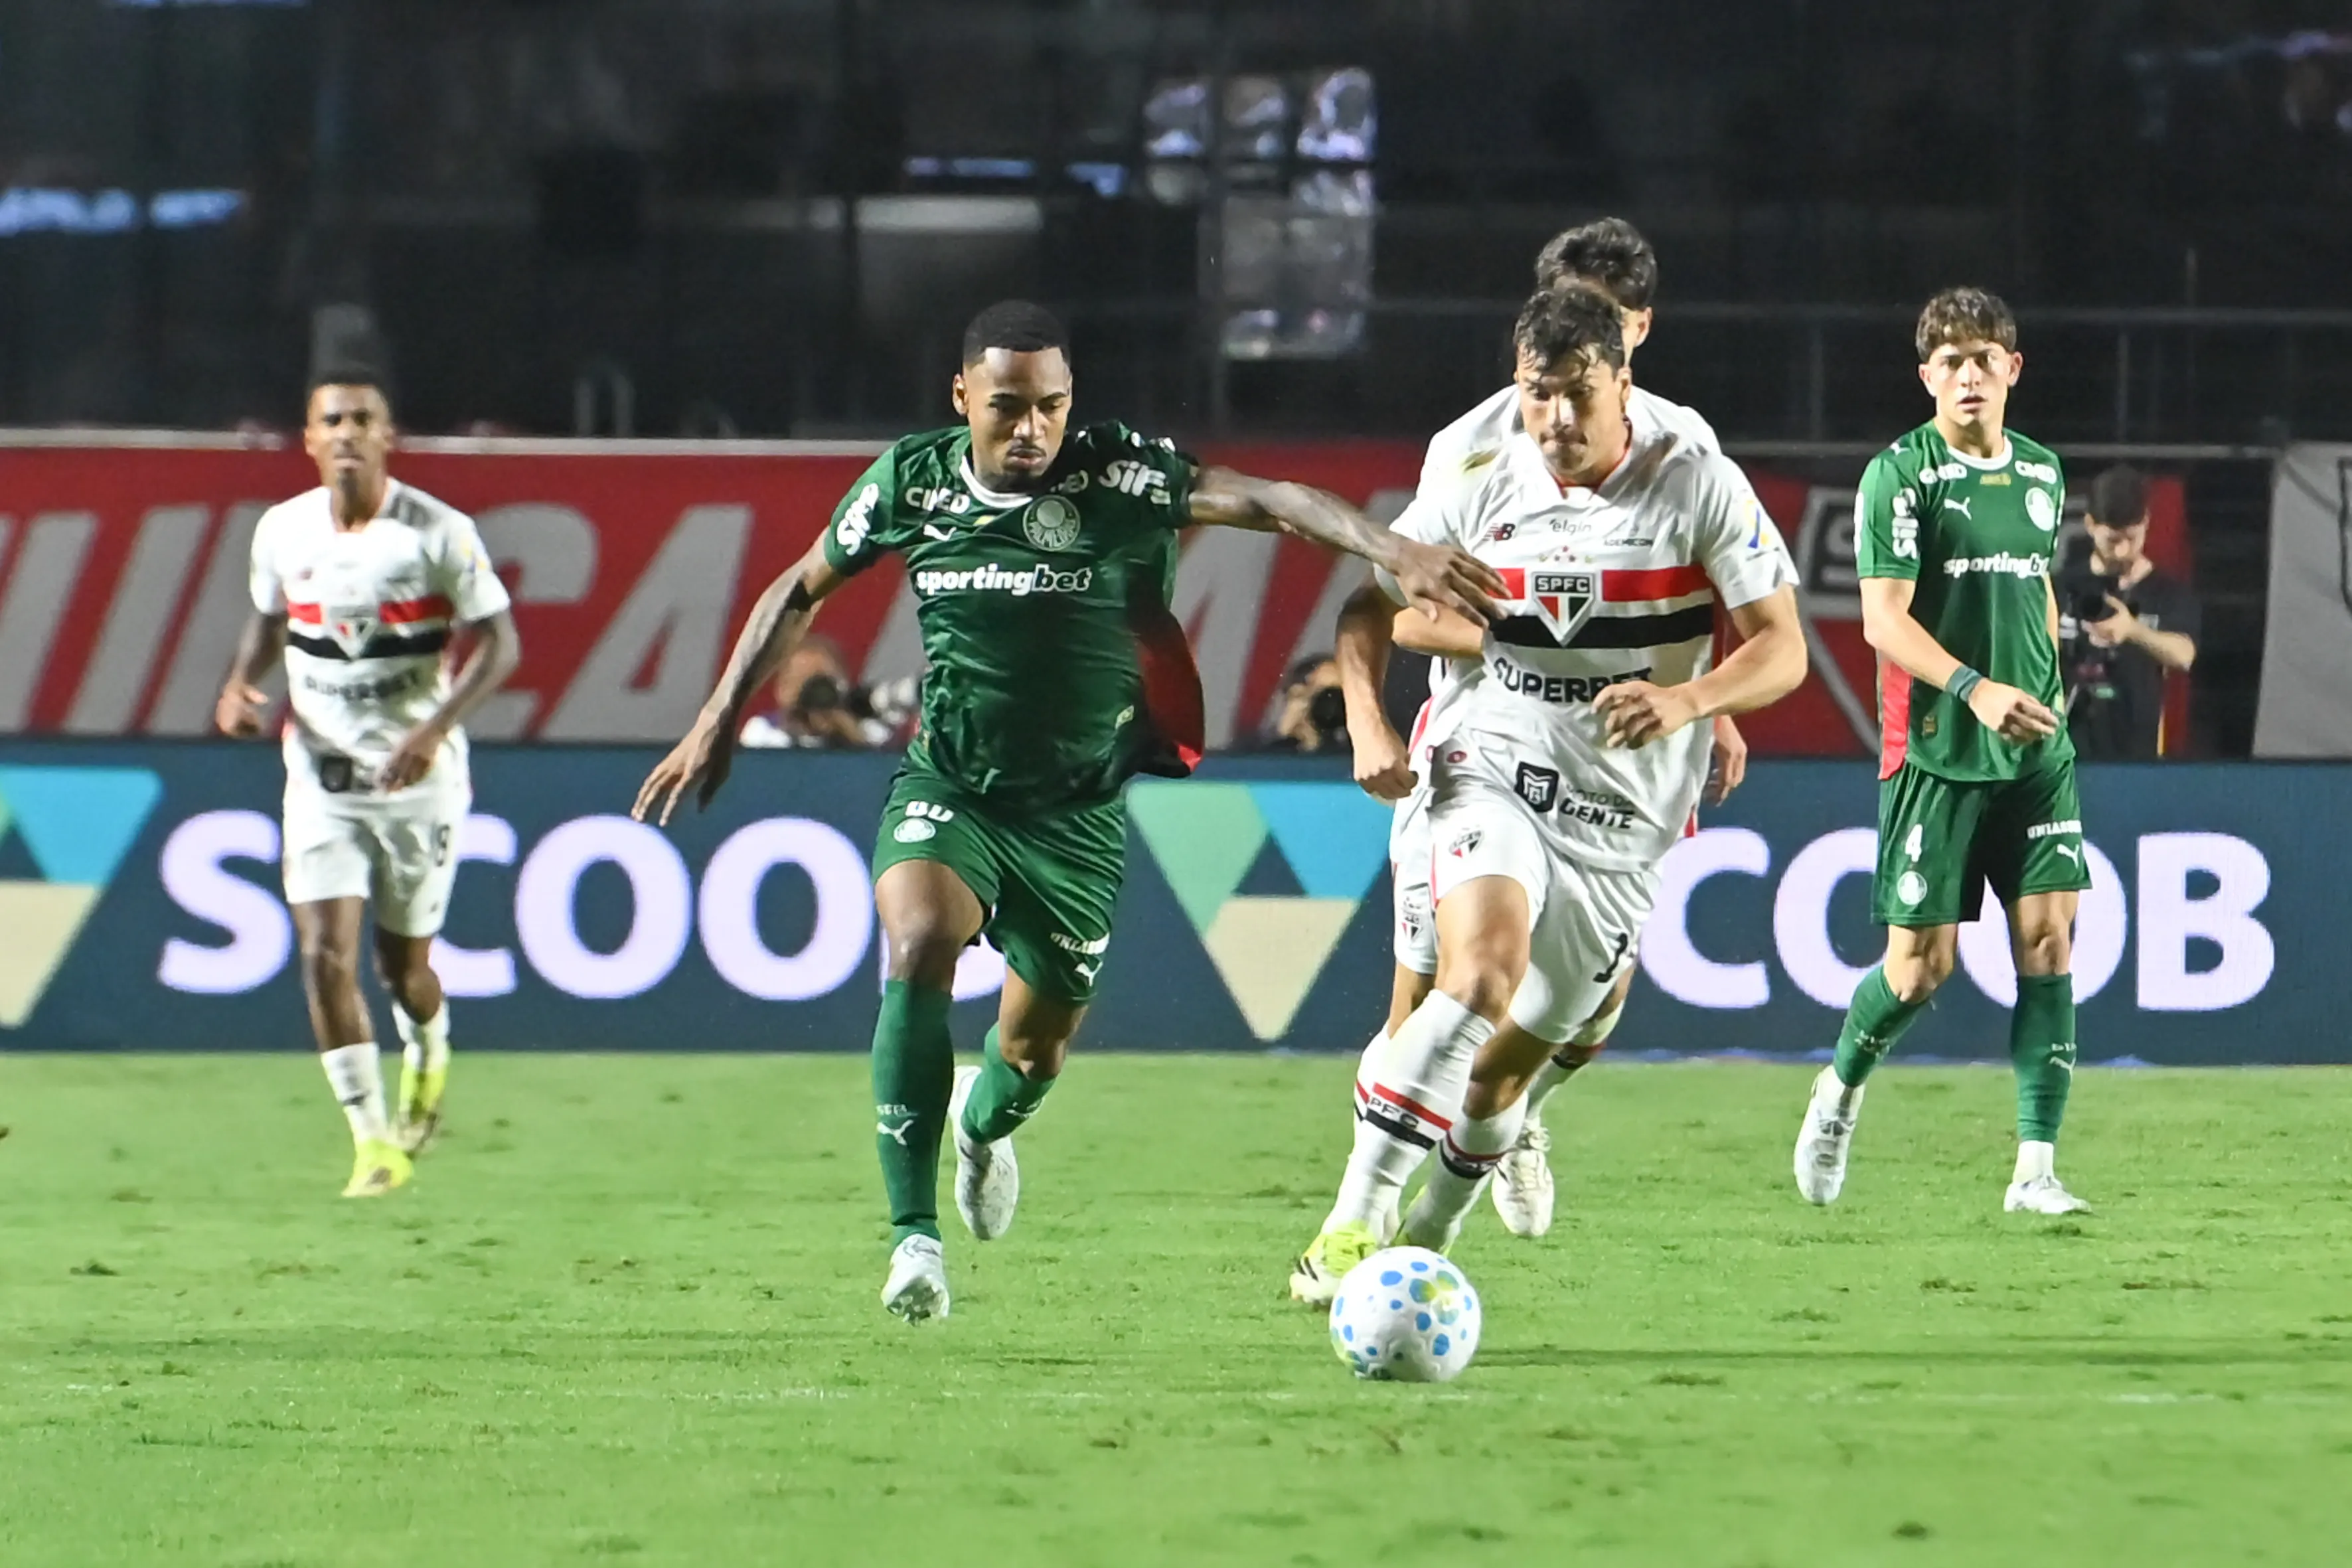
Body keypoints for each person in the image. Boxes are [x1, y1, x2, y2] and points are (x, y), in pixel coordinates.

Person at [632, 299, 1503, 1324]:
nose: (1031, 428)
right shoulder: (910, 480)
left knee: (1031, 1056)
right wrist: (715, 721)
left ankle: (981, 1128)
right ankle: (912, 1239)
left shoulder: (1120, 477)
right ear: (962, 398)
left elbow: (1273, 501)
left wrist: (1391, 549)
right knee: (915, 942)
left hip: (1077, 819)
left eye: (1050, 405)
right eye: (1006, 407)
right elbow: (797, 587)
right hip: (950, 787)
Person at [1290, 284, 1806, 1296]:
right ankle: (1351, 1225)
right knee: (1475, 971)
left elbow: (1782, 648)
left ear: (1622, 382)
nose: (1556, 421)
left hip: (1621, 816)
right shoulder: (1481, 468)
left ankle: (1426, 1241)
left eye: (1576, 394)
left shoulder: (1693, 478)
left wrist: (1688, 700)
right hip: (1495, 760)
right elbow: (1368, 599)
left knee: (1502, 1082)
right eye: (1537, 395)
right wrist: (1365, 717)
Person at [1792, 286, 2092, 1217]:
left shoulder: (2042, 473)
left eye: (1983, 357)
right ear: (1926, 377)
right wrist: (1976, 688)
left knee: (2046, 942)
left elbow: (2032, 587)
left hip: (2036, 749)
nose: (1968, 374)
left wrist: (2042, 684)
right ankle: (1837, 1089)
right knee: (1919, 969)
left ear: (2012, 368)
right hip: (1937, 749)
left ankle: (2033, 1169)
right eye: (1949, 361)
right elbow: (1881, 622)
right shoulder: (1900, 476)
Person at [214, 370, 520, 1198]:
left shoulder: (436, 532)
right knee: (322, 955)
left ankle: (428, 1049)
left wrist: (432, 729)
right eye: (331, 421)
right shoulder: (282, 530)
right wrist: (243, 684)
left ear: (389, 435)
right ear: (308, 439)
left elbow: (500, 643)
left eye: (362, 419)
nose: (347, 432)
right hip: (319, 775)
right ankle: (373, 1141)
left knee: (403, 971)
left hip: (416, 783)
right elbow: (271, 616)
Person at [2055, 465, 2201, 757]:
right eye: (2112, 540)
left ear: (2147, 523)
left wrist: (2133, 631)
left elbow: (2184, 655)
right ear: (2090, 525)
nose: (2122, 551)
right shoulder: (2059, 587)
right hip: (2064, 750)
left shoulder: (2167, 592)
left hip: (2136, 753)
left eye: (2132, 538)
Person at [738, 634, 905, 749]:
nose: (817, 692)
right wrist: (800, 720)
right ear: (782, 690)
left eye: (824, 680)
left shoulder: (872, 730)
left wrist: (845, 729)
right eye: (804, 680)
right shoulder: (763, 730)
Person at [1261, 655, 1350, 752]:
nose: (1331, 707)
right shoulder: (1264, 758)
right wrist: (1287, 735)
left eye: (1337, 696)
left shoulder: (1365, 751)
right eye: (1324, 696)